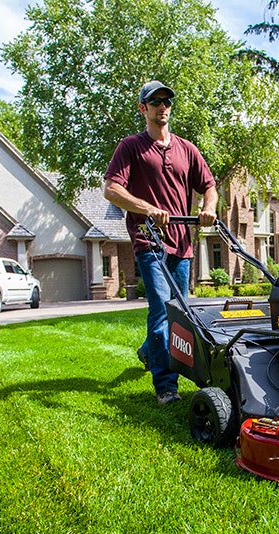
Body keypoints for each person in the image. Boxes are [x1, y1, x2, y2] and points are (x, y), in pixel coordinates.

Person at [103, 80, 218, 405]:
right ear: (144, 108)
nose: (162, 107)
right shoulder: (131, 147)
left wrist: (208, 208)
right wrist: (148, 209)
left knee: (180, 314)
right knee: (160, 310)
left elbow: (209, 186)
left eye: (167, 101)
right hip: (148, 240)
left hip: (182, 244)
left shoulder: (187, 149)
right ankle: (167, 388)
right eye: (155, 102)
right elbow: (112, 189)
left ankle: (148, 350)